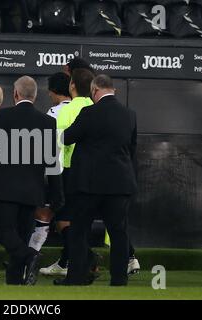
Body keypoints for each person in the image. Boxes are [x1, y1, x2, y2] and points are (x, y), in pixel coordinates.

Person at [0, 76, 63, 285]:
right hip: (32, 190)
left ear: (15, 94)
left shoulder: (1, 117)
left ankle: (28, 256)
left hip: (3, 188)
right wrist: (57, 193)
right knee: (22, 234)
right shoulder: (48, 122)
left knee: (5, 232)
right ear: (34, 96)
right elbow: (53, 163)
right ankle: (15, 280)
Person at [56, 75, 137, 286]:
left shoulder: (89, 112)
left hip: (88, 185)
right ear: (114, 90)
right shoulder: (129, 115)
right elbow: (132, 150)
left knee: (80, 231)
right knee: (119, 233)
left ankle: (76, 277)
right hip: (120, 183)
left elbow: (67, 138)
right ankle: (119, 279)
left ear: (94, 91)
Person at [39, 68, 97, 277]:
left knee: (64, 219)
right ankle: (76, 261)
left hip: (69, 171)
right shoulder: (95, 107)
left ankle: (83, 258)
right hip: (95, 173)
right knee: (81, 219)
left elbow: (58, 142)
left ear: (72, 86)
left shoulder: (67, 111)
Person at [29, 72, 71, 256]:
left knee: (44, 214)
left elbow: (46, 145)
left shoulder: (53, 113)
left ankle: (29, 256)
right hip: (79, 172)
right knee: (66, 218)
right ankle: (71, 260)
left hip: (57, 172)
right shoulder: (84, 108)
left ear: (53, 92)